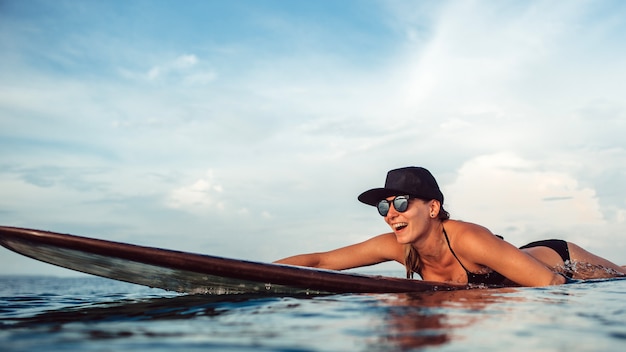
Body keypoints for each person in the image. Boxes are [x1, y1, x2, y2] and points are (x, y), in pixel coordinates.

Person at [275, 167, 626, 286]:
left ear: (432, 208)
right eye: (384, 206)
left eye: (400, 203)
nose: (390, 214)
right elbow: (322, 261)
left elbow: (552, 283)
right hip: (523, 266)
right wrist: (256, 273)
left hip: (557, 260)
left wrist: (478, 304)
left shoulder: (468, 238)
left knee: (619, 276)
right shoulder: (396, 245)